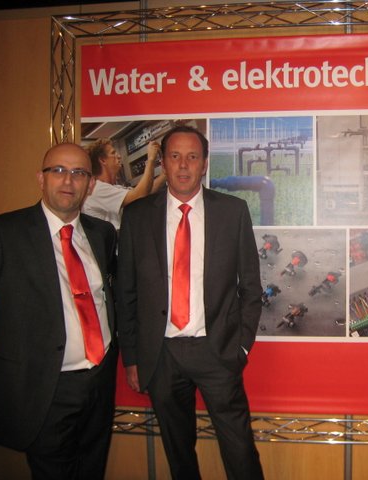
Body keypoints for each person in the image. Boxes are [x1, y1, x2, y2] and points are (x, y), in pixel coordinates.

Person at [116, 125, 264, 480]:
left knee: (240, 449)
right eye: (175, 156)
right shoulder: (137, 216)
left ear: (204, 164)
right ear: (163, 163)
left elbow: (251, 287)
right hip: (161, 355)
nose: (183, 165)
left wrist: (241, 346)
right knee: (178, 452)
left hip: (217, 351)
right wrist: (132, 356)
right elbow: (126, 291)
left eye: (192, 157)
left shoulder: (232, 212)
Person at [0, 143, 118, 479]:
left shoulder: (102, 233)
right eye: (58, 170)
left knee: (92, 470)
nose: (68, 180)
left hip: (98, 382)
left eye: (79, 173)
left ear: (90, 184)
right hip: (45, 388)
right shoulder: (4, 233)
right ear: (41, 178)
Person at [83, 138, 166, 229]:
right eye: (113, 153)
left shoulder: (115, 188)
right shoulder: (97, 189)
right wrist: (150, 159)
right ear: (103, 160)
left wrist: (165, 173)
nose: (119, 156)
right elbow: (141, 193)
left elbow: (147, 191)